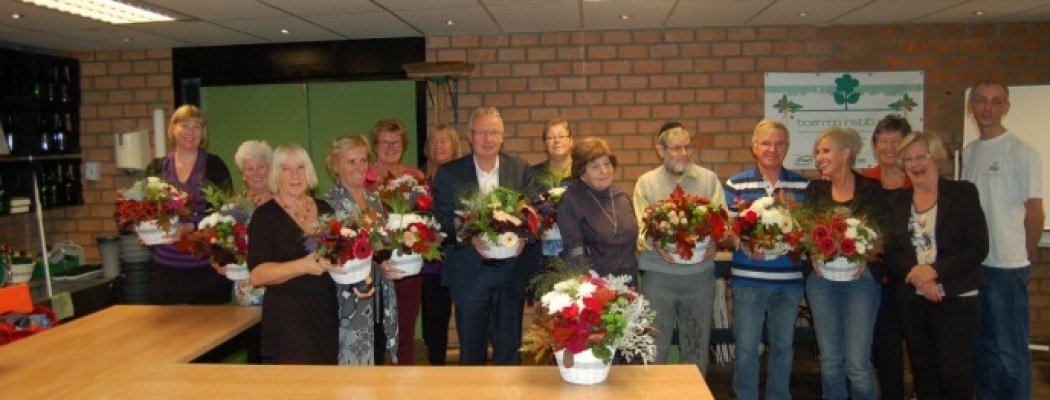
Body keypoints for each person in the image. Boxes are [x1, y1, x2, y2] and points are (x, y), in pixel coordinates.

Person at [885, 131, 988, 399]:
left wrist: (934, 273)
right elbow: (891, 251)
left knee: (954, 374)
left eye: (922, 156)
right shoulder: (896, 202)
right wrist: (918, 276)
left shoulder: (963, 193)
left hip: (955, 296)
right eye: (908, 159)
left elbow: (978, 247)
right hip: (913, 298)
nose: (916, 164)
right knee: (923, 371)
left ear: (937, 158)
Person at [431, 106, 538, 365]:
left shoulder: (519, 169)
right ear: (470, 136)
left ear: (503, 136)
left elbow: (535, 212)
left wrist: (524, 236)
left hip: (511, 273)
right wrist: (470, 234)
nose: (488, 139)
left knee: (509, 350)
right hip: (469, 275)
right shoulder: (449, 173)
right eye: (482, 133)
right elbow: (440, 220)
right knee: (471, 353)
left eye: (494, 132)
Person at [962, 80, 1044, 400]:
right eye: (981, 101)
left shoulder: (1022, 152)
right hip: (975, 265)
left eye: (996, 102)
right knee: (982, 345)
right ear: (971, 107)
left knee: (1011, 349)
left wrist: (1025, 253)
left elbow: (1035, 212)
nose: (988, 108)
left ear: (1006, 108)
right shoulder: (969, 153)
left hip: (1007, 267)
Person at [723, 119, 809, 400]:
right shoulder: (736, 183)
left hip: (789, 283)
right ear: (754, 146)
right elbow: (726, 233)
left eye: (780, 143)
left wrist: (796, 239)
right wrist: (745, 245)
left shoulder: (802, 185)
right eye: (767, 143)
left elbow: (808, 232)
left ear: (787, 147)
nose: (773, 149)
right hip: (749, 281)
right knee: (747, 347)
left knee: (783, 347)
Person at [248, 143, 354, 364]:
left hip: (324, 311)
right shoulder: (265, 216)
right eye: (286, 169)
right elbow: (257, 275)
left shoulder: (324, 208)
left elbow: (339, 256)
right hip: (288, 318)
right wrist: (303, 265)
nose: (295, 175)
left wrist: (358, 280)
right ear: (276, 175)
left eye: (300, 167)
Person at [632, 123, 725, 374]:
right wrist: (657, 242)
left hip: (700, 277)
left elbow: (722, 219)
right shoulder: (646, 183)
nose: (683, 153)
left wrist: (714, 241)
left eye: (687, 147)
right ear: (660, 150)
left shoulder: (709, 180)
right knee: (653, 346)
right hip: (658, 277)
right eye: (676, 148)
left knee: (696, 346)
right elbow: (641, 226)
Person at [804, 126, 887, 400]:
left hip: (860, 283)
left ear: (847, 152)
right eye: (817, 152)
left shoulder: (871, 190)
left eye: (825, 151)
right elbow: (805, 233)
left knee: (857, 363)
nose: (819, 157)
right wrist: (813, 253)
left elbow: (882, 236)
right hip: (821, 283)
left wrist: (867, 255)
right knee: (830, 360)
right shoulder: (815, 189)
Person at [321, 135, 398, 365]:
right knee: (350, 360)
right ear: (336, 167)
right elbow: (327, 251)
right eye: (351, 161)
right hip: (347, 294)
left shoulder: (374, 199)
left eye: (363, 160)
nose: (359, 167)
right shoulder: (327, 203)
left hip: (379, 291)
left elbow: (382, 243)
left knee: (377, 351)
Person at [145, 104, 233, 305]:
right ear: (173, 130)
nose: (190, 132)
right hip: (166, 269)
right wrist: (144, 232)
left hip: (206, 268)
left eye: (197, 127)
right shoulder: (156, 168)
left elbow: (227, 214)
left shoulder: (215, 166)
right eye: (185, 125)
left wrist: (192, 226)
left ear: (203, 133)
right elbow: (146, 211)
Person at [862, 114, 912, 400]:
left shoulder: (917, 178)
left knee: (906, 345)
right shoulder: (865, 181)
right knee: (875, 345)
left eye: (897, 141)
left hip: (909, 276)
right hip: (874, 277)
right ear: (875, 145)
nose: (890, 147)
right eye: (884, 141)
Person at [368, 118, 425, 365]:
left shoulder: (415, 177)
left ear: (404, 145)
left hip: (406, 265)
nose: (390, 147)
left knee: (405, 332)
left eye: (396, 142)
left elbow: (425, 218)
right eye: (384, 142)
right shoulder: (364, 177)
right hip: (372, 267)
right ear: (375, 145)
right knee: (374, 332)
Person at [558, 137, 638, 280]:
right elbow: (574, 250)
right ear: (582, 173)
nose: (604, 171)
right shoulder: (571, 201)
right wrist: (593, 285)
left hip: (629, 283)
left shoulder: (623, 197)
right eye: (595, 167)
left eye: (607, 164)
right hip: (595, 287)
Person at [419, 124, 461, 365]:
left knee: (461, 314)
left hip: (457, 256)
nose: (438, 145)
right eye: (434, 140)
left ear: (454, 146)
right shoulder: (416, 177)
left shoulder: (463, 175)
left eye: (444, 140)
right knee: (434, 316)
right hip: (427, 262)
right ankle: (435, 365)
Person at [531, 117, 574, 257]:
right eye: (551, 137)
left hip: (577, 249)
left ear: (571, 141)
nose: (557, 141)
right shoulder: (532, 175)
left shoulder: (583, 174)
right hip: (541, 252)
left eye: (561, 136)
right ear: (544, 145)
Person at [234, 140, 274, 207]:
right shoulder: (237, 204)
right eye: (250, 169)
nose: (256, 173)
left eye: (261, 167)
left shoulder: (283, 200)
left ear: (270, 169)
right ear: (243, 175)